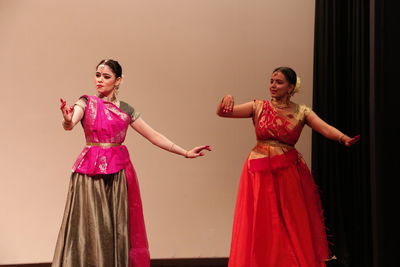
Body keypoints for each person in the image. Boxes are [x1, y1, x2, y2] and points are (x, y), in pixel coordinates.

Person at [52, 59, 211, 267]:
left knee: (115, 228)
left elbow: (153, 135)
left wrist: (185, 152)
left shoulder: (126, 109)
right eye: (98, 75)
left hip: (117, 174)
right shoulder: (86, 102)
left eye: (106, 76)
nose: (100, 80)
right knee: (91, 225)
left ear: (118, 81)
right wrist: (66, 119)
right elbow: (71, 123)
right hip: (90, 174)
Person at [216, 66, 360, 267]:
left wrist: (343, 138)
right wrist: (226, 97)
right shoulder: (258, 106)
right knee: (262, 219)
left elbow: (324, 127)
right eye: (272, 81)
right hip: (259, 170)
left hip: (288, 170)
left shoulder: (302, 112)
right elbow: (224, 113)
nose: (273, 86)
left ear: (291, 87)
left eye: (279, 82)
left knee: (290, 221)